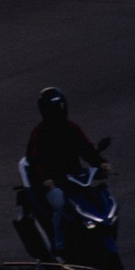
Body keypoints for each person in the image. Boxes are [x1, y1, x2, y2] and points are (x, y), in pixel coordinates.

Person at [22, 87, 102, 250]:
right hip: (55, 182)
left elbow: (85, 147)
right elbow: (35, 159)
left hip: (75, 177)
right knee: (59, 203)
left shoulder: (72, 128)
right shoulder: (39, 133)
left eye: (60, 107)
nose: (58, 111)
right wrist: (46, 178)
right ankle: (59, 245)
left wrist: (100, 162)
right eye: (54, 108)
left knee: (97, 197)